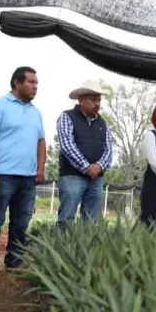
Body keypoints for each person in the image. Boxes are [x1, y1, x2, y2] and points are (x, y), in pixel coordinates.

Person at [0, 67, 46, 280]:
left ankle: (14, 261)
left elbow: (41, 142)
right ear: (17, 83)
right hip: (2, 174)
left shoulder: (36, 112)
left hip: (28, 177)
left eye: (36, 83)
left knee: (21, 222)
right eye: (31, 82)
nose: (35, 86)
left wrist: (41, 169)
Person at [56, 80, 113, 231]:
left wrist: (99, 166)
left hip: (96, 180)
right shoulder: (67, 117)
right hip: (72, 177)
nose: (97, 104)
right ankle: (61, 252)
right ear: (81, 100)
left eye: (99, 100)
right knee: (66, 218)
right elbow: (67, 146)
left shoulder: (103, 123)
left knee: (91, 221)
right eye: (93, 100)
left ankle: (84, 253)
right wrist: (87, 168)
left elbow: (109, 151)